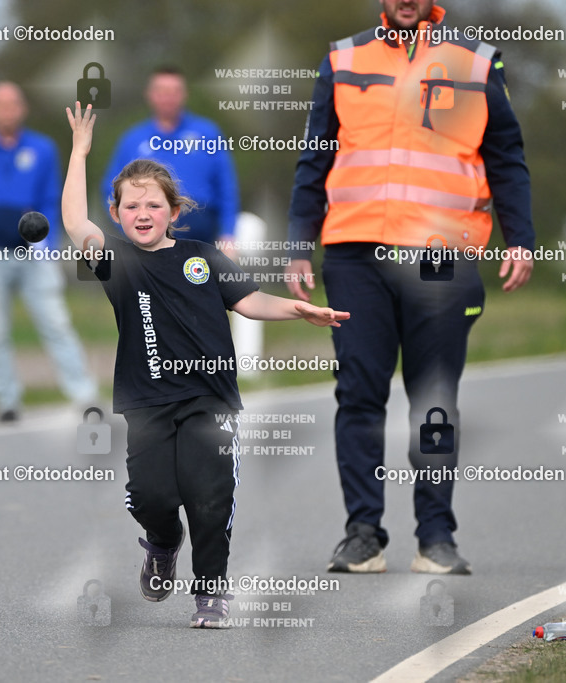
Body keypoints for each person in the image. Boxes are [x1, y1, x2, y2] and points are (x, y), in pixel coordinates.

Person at [64, 102, 349, 627]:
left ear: (173, 211)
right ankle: (163, 543)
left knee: (210, 494)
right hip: (147, 402)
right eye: (130, 207)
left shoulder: (204, 257)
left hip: (209, 399)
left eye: (152, 205)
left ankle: (210, 593)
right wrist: (81, 151)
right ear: (118, 213)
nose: (142, 214)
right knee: (151, 497)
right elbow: (74, 220)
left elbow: (249, 300)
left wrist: (297, 309)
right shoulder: (118, 264)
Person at [286, 0, 534, 575]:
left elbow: (507, 158)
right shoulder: (343, 58)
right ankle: (363, 532)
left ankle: (436, 535)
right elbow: (314, 158)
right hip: (355, 254)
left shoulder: (476, 63)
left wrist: (520, 238)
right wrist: (299, 243)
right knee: (359, 396)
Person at [0, 82, 97, 421]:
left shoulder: (42, 149)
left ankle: (83, 394)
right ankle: (7, 399)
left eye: (12, 104)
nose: (6, 111)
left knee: (56, 322)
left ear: (23, 109)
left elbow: (50, 197)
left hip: (33, 252)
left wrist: (47, 244)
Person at [101, 66, 239, 252]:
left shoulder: (207, 133)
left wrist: (228, 233)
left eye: (175, 91)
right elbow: (110, 190)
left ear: (184, 95)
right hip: (150, 233)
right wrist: (129, 229)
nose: (168, 97)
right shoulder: (132, 140)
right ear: (149, 94)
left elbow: (226, 187)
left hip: (201, 233)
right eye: (162, 91)